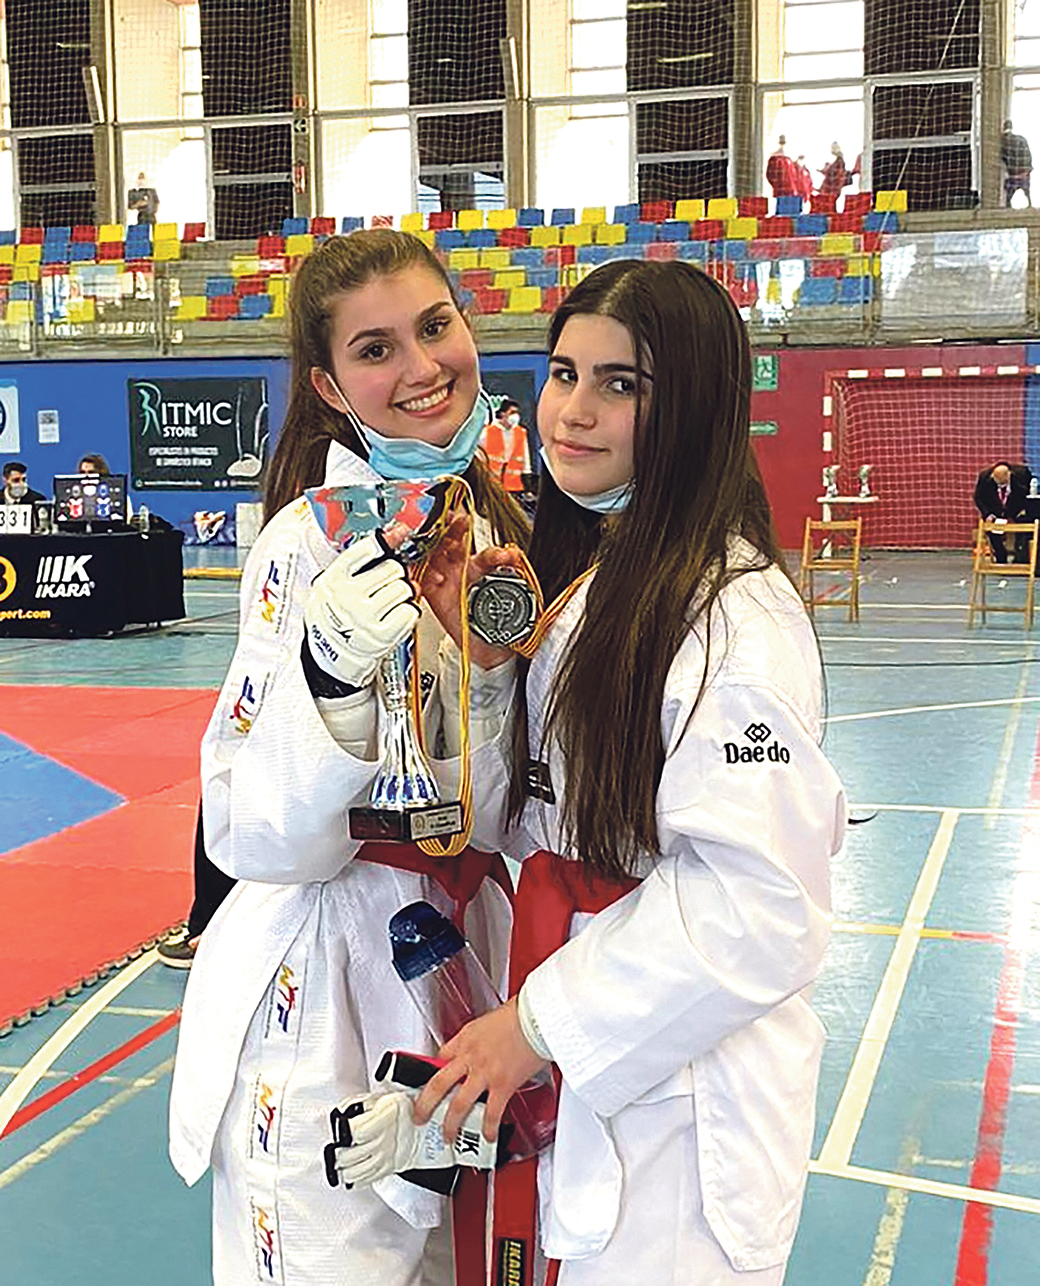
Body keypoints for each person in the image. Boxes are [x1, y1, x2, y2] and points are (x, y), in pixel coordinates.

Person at [403, 259, 845, 1284]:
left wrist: (540, 1023)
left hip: (682, 1103)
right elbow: (520, 825)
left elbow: (760, 905)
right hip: (585, 1032)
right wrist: (483, 673)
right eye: (564, 374)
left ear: (690, 408)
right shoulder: (596, 577)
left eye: (620, 384)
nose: (573, 411)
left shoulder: (732, 618)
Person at [168, 228, 529, 1286]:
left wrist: (488, 681)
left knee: (457, 1261)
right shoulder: (303, 543)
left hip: (462, 965)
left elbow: (499, 814)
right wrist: (326, 682)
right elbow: (248, 834)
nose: (421, 367)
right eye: (376, 350)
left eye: (434, 326)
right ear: (329, 387)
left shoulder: (498, 526)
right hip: (319, 986)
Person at [974, 461, 1032, 564]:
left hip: (1016, 510)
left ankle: (1021, 557)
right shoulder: (985, 477)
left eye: (1002, 482)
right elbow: (978, 498)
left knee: (1025, 525)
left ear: (1009, 475)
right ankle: (1001, 557)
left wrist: (1018, 512)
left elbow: (1028, 496)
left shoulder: (1022, 475)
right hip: (995, 511)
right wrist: (987, 514)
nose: (1000, 485)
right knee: (991, 528)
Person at [480, 397, 531, 496]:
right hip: (492, 486)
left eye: (517, 413)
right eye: (512, 412)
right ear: (502, 414)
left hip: (514, 487)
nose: (515, 416)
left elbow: (526, 461)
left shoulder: (521, 433)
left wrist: (528, 486)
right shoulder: (487, 432)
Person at [1001, 120, 1032, 207]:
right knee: (1026, 191)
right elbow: (1028, 155)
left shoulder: (1003, 142)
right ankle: (1029, 203)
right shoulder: (1021, 139)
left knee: (1008, 194)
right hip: (1023, 172)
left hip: (1013, 173)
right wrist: (1029, 168)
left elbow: (1004, 158)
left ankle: (1008, 205)